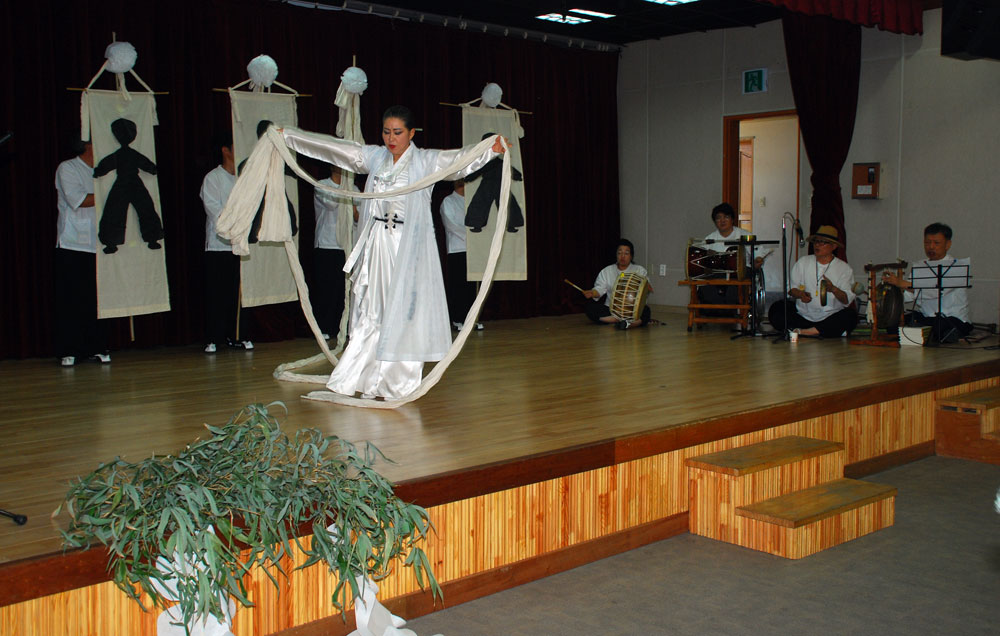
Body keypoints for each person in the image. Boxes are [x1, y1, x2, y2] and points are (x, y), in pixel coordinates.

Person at [280, 106, 506, 399]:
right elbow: (338, 150)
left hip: (407, 250)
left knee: (403, 312)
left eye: (398, 132)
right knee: (372, 311)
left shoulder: (425, 161)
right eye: (386, 131)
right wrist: (290, 137)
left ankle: (395, 381)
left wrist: (491, 150)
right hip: (378, 246)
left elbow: (460, 161)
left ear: (411, 133)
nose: (391, 138)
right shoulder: (375, 157)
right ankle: (359, 376)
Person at [54, 139, 110, 366]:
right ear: (88, 146)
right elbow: (79, 200)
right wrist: (111, 193)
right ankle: (69, 349)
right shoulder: (68, 168)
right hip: (73, 243)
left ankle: (96, 347)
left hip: (99, 244)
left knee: (96, 300)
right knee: (72, 300)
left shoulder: (104, 171)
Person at [200, 132, 253, 353]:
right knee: (217, 293)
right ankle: (213, 337)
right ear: (225, 150)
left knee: (236, 293)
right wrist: (235, 222)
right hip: (218, 244)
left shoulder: (243, 179)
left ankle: (235, 335)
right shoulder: (213, 178)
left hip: (239, 245)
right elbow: (215, 211)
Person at [883, 222, 972, 343]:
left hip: (952, 319)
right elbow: (909, 296)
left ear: (948, 244)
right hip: (926, 317)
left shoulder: (957, 266)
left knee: (939, 326)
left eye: (936, 243)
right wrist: (892, 289)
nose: (931, 247)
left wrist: (904, 284)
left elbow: (935, 292)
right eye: (927, 242)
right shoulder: (920, 265)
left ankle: (942, 335)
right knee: (893, 323)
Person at [768, 225, 857, 337]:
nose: (817, 245)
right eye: (816, 242)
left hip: (829, 316)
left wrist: (833, 289)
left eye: (822, 242)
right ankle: (823, 331)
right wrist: (800, 294)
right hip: (803, 316)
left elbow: (846, 300)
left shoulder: (844, 268)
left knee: (850, 316)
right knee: (778, 308)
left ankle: (806, 332)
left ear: (833, 246)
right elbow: (791, 289)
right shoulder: (803, 262)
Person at [312, 165, 359, 339]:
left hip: (348, 246)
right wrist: (347, 192)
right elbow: (332, 204)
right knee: (327, 289)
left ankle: (343, 327)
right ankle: (324, 327)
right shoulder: (322, 185)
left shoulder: (354, 189)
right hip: (327, 244)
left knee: (344, 290)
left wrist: (356, 211)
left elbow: (358, 217)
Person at [439, 179, 482, 331]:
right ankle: (458, 319)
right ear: (458, 184)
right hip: (457, 249)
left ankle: (472, 319)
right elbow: (451, 226)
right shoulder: (448, 201)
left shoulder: (471, 200)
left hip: (473, 250)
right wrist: (471, 237)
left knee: (471, 286)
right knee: (458, 286)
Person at [583, 238, 653, 329]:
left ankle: (627, 324)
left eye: (626, 253)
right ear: (616, 255)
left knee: (646, 311)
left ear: (631, 256)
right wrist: (593, 293)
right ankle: (621, 321)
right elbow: (599, 289)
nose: (622, 256)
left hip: (633, 310)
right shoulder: (607, 271)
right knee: (590, 308)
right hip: (612, 310)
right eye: (619, 253)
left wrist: (647, 287)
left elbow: (646, 288)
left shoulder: (639, 270)